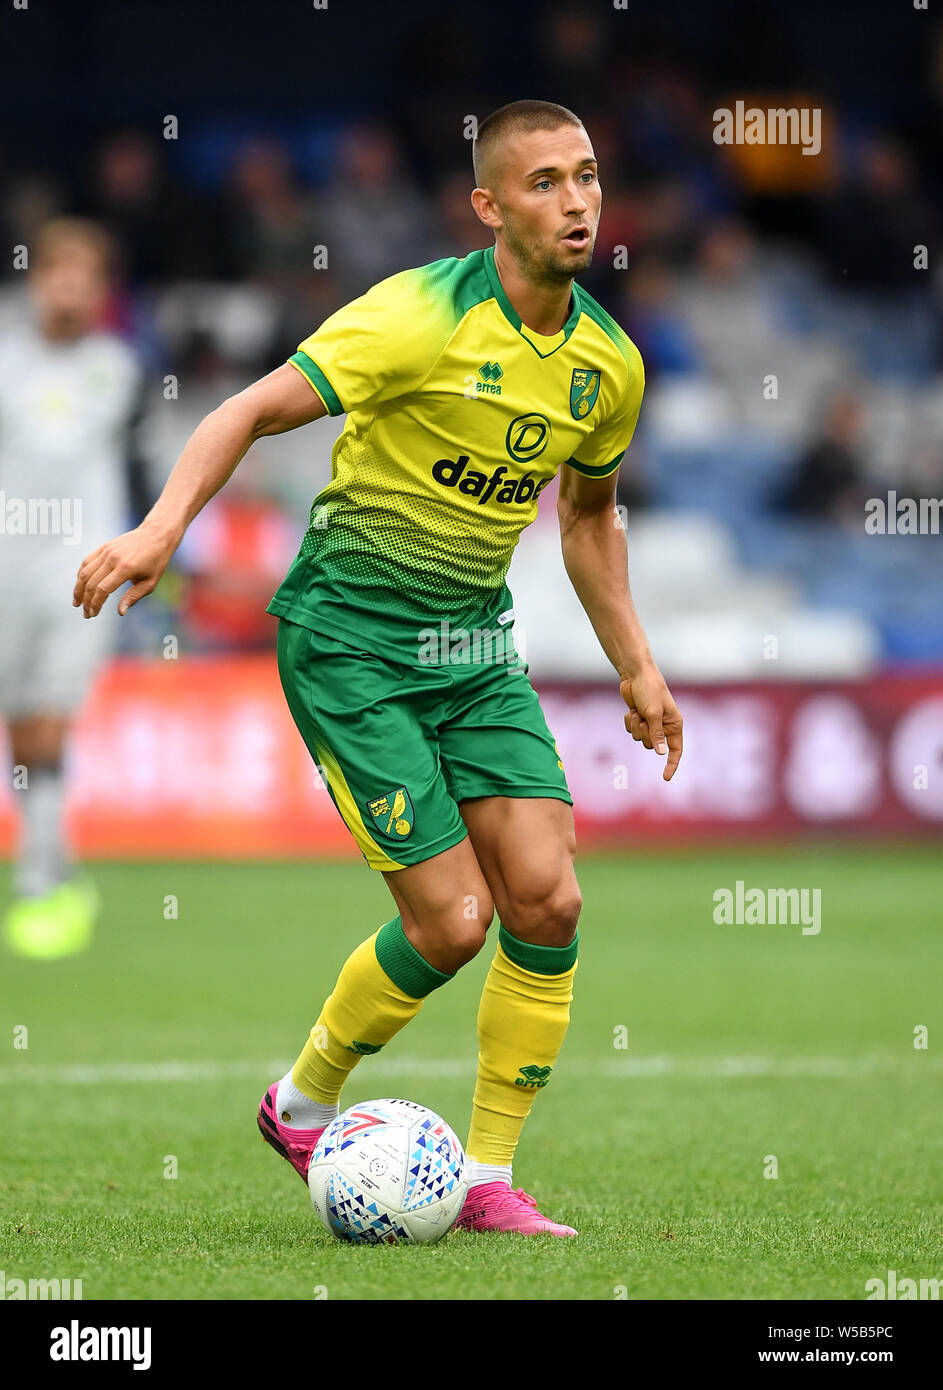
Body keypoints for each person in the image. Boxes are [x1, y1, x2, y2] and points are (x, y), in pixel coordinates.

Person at [74, 101, 683, 1237]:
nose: (577, 200)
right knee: (455, 922)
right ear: (489, 207)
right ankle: (299, 1098)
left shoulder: (608, 364)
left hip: (472, 648)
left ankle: (489, 1179)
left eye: (588, 175)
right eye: (545, 181)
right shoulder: (416, 316)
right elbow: (249, 409)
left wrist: (637, 668)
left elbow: (589, 522)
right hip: (352, 642)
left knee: (546, 900)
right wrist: (160, 530)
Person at [2, 219, 141, 958]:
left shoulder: (115, 368)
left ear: (100, 289)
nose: (67, 287)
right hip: (5, 569)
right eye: (56, 271)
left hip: (80, 570)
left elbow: (142, 467)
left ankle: (37, 878)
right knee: (20, 726)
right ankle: (49, 853)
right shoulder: (5, 357)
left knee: (53, 718)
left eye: (83, 275)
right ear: (36, 278)